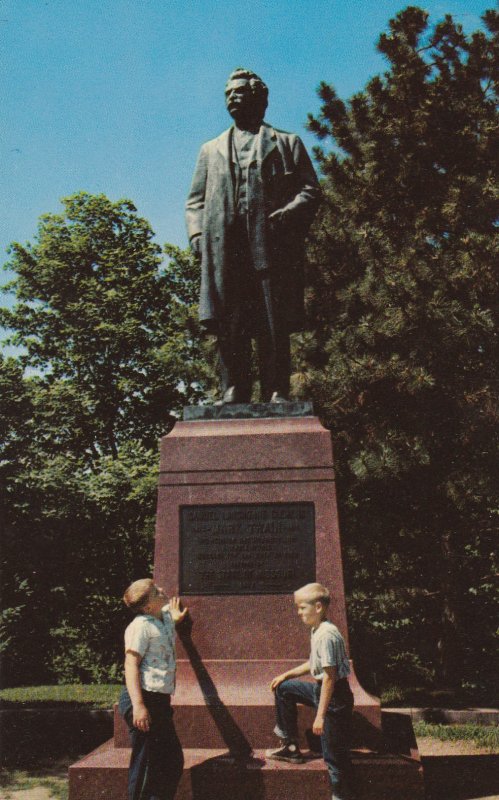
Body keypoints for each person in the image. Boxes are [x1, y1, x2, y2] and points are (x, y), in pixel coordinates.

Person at [185, 68, 320, 404]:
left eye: (239, 93)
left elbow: (310, 191)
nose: (232, 98)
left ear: (259, 98)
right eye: (228, 94)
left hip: (270, 248)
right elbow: (195, 202)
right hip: (226, 251)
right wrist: (197, 235)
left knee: (272, 322)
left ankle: (277, 390)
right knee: (232, 322)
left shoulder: (287, 143)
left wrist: (286, 215)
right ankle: (234, 389)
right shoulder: (211, 150)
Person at [267, 582, 355, 800]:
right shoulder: (318, 629)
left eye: (302, 608)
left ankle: (340, 796)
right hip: (322, 691)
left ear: (318, 607)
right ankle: (291, 746)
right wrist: (286, 675)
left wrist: (320, 716)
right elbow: (314, 664)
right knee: (284, 689)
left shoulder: (327, 635)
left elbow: (329, 677)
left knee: (333, 756)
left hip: (335, 698)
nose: (298, 613)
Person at [118, 579, 188, 800]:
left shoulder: (163, 616)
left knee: (172, 760)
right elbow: (131, 665)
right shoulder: (140, 626)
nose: (162, 590)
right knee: (146, 764)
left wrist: (175, 620)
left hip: (160, 701)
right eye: (156, 592)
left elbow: (168, 620)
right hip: (143, 699)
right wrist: (139, 706)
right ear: (148, 607)